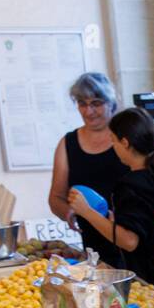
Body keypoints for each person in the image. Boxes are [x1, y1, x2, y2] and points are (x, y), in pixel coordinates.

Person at [68, 107, 154, 295]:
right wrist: (112, 221)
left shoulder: (130, 185)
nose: (113, 147)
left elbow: (129, 241)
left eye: (114, 141)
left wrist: (86, 212)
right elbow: (148, 225)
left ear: (125, 142)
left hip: (151, 286)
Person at [48, 72, 125, 267]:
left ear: (111, 103)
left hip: (131, 239)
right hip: (94, 244)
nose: (89, 111)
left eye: (96, 103)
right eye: (83, 104)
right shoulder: (68, 143)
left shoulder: (127, 138)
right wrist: (69, 212)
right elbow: (56, 197)